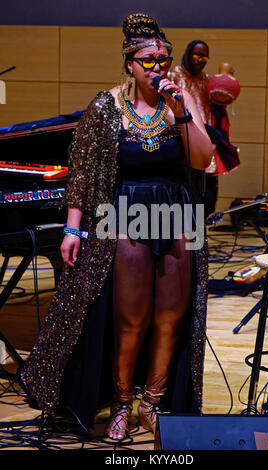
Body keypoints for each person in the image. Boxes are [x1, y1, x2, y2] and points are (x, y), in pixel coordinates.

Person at [17, 13, 213, 441]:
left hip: (178, 211)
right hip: (123, 212)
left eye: (162, 60)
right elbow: (83, 174)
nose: (157, 68)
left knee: (172, 316)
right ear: (129, 63)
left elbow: (202, 161)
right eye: (148, 61)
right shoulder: (107, 106)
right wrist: (72, 229)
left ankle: (154, 403)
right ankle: (121, 403)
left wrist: (183, 112)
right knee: (131, 316)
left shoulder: (177, 105)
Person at [169, 40, 240, 217]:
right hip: (181, 141)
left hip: (205, 140)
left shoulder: (208, 80)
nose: (201, 59)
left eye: (205, 56)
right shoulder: (173, 76)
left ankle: (200, 236)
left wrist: (226, 81)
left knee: (207, 198)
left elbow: (221, 102)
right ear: (188, 53)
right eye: (197, 54)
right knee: (185, 193)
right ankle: (185, 238)